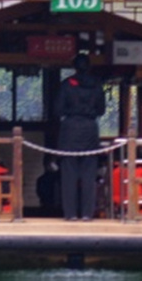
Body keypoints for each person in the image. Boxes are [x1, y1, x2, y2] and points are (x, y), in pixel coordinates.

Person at [55, 53, 106, 220]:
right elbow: (101, 110)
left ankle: (70, 214)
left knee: (69, 173)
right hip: (90, 128)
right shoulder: (97, 85)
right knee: (88, 174)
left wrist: (72, 112)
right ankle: (86, 213)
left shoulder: (66, 85)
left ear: (74, 67)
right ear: (89, 66)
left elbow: (58, 109)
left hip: (70, 128)